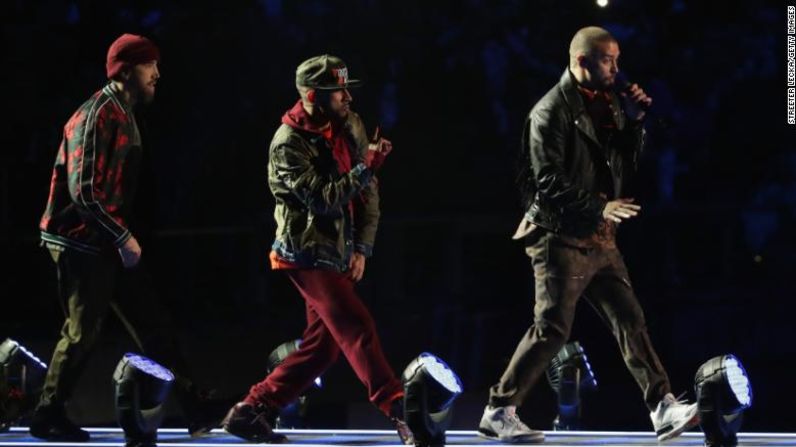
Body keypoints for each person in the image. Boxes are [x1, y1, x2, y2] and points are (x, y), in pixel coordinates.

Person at [477, 26, 699, 443]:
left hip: (599, 236)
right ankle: (498, 410)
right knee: (552, 327)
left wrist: (634, 125)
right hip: (558, 236)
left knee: (630, 319)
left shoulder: (608, 103)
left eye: (616, 58)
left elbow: (621, 163)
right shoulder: (550, 112)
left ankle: (662, 406)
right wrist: (600, 206)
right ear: (582, 61)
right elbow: (547, 181)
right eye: (607, 59)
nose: (616, 68)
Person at [33, 33, 218, 441]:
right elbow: (84, 192)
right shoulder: (98, 114)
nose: (157, 73)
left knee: (153, 324)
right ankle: (47, 413)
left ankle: (194, 405)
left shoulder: (124, 112)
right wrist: (121, 237)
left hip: (105, 239)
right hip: (79, 240)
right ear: (126, 69)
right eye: (149, 64)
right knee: (83, 331)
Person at [221, 55, 412, 444]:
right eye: (338, 91)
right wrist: (367, 167)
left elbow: (367, 193)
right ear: (312, 95)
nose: (347, 98)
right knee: (356, 327)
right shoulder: (287, 144)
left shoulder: (349, 124)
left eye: (346, 89)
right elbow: (323, 200)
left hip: (338, 251)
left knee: (322, 348)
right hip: (305, 253)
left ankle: (251, 410)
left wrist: (362, 246)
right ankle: (400, 408)